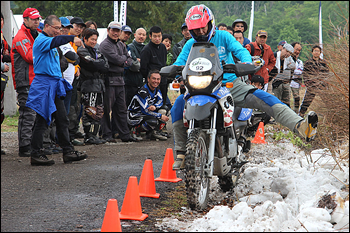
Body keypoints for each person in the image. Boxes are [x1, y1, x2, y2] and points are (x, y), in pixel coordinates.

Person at [171, 4, 318, 170]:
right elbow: (180, 62)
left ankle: (300, 125)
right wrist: (172, 70)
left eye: (203, 28)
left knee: (264, 98)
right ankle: (182, 153)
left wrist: (247, 61)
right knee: (177, 106)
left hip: (228, 84)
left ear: (210, 23)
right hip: (200, 87)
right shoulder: (190, 44)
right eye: (196, 30)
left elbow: (240, 51)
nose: (201, 32)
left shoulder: (224, 37)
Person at [26, 15, 87, 166]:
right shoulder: (42, 40)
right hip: (44, 84)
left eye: (60, 28)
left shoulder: (52, 42)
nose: (59, 31)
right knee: (42, 120)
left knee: (62, 118)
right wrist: (72, 38)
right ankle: (36, 154)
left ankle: (68, 151)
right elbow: (58, 40)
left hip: (54, 83)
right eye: (56, 28)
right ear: (46, 26)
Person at [99, 21, 138, 143]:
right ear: (108, 30)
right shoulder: (104, 45)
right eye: (113, 30)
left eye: (118, 31)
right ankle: (106, 135)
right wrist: (123, 61)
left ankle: (125, 135)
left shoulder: (121, 45)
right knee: (106, 109)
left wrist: (123, 61)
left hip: (120, 80)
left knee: (121, 109)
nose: (115, 33)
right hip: (108, 80)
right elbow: (118, 60)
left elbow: (129, 60)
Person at [10, 8, 42, 157]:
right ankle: (24, 146)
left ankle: (35, 143)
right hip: (25, 81)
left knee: (37, 114)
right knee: (27, 114)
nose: (36, 21)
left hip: (36, 80)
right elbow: (30, 56)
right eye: (33, 19)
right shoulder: (21, 36)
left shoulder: (38, 34)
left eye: (38, 19)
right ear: (25, 20)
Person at [77, 28, 109, 145]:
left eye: (95, 39)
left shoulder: (96, 51)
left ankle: (94, 135)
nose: (94, 42)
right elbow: (90, 64)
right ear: (85, 39)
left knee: (99, 111)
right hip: (88, 85)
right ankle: (88, 135)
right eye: (92, 39)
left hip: (99, 85)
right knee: (90, 111)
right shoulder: (82, 50)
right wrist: (97, 63)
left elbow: (105, 65)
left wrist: (97, 63)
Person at [127, 70, 169, 141]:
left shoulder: (157, 90)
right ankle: (135, 131)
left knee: (165, 109)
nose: (156, 81)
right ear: (148, 79)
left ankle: (154, 132)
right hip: (134, 115)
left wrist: (155, 106)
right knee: (153, 121)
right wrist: (160, 116)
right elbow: (145, 110)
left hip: (145, 114)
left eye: (158, 79)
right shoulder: (143, 91)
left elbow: (160, 101)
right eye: (154, 78)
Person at [67, 17, 86, 146]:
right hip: (65, 79)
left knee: (75, 107)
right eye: (76, 26)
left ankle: (71, 135)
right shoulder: (66, 39)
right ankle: (66, 137)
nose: (78, 29)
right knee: (68, 109)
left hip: (74, 78)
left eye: (81, 27)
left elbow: (76, 60)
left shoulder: (76, 41)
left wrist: (77, 67)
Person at [140, 26, 168, 109]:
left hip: (163, 81)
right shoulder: (146, 49)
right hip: (152, 83)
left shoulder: (163, 47)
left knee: (163, 106)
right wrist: (150, 79)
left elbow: (164, 63)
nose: (157, 38)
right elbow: (143, 68)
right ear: (150, 36)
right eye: (155, 36)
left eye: (159, 36)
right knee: (152, 107)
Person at [298, 45, 329, 117]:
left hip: (321, 85)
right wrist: (308, 84)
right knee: (306, 101)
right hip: (312, 86)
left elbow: (327, 74)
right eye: (315, 51)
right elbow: (305, 75)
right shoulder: (308, 63)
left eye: (318, 51)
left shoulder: (323, 63)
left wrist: (325, 84)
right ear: (312, 52)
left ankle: (330, 115)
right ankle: (301, 115)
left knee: (327, 101)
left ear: (320, 52)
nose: (316, 53)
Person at [124, 27, 146, 107]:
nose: (141, 36)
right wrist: (139, 62)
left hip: (141, 83)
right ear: (135, 35)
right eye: (139, 34)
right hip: (130, 82)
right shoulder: (130, 47)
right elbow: (133, 65)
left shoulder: (145, 48)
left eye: (143, 35)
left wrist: (139, 60)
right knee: (128, 105)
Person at [271, 43, 295, 107]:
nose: (287, 54)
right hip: (272, 81)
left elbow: (293, 66)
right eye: (286, 51)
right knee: (275, 102)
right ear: (282, 49)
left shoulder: (286, 60)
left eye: (289, 53)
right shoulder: (274, 56)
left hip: (282, 81)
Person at [290, 42, 303, 113]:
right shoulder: (287, 59)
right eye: (296, 49)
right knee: (286, 99)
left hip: (296, 83)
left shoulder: (300, 62)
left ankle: (295, 113)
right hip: (287, 82)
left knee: (297, 98)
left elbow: (300, 72)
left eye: (299, 50)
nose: (297, 52)